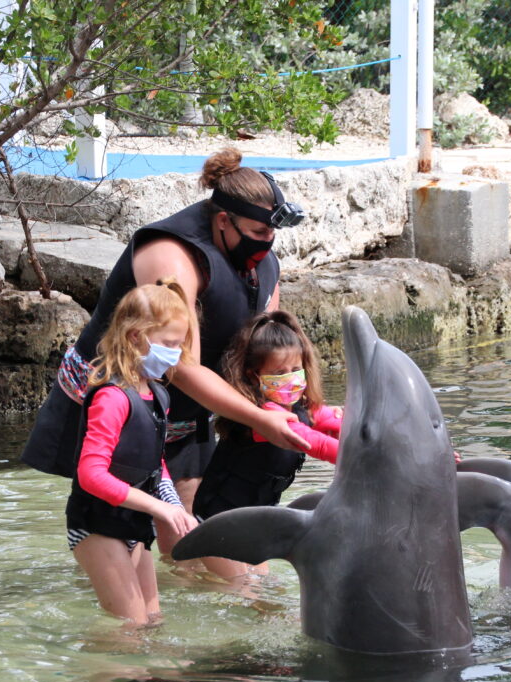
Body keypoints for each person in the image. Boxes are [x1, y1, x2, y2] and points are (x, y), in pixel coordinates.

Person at [22, 147, 312, 552]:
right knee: (121, 531)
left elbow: (262, 347)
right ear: (224, 220)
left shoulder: (262, 260)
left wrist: (296, 407)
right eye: (259, 232)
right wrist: (258, 420)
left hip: (187, 414)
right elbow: (178, 363)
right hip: (125, 405)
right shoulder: (170, 253)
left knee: (191, 535)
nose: (267, 243)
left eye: (272, 235)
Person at [67, 279, 200, 626]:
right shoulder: (112, 397)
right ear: (134, 337)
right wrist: (157, 508)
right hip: (97, 526)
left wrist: (172, 505)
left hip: (133, 524)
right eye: (169, 343)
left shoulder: (158, 394)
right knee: (131, 627)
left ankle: (148, 681)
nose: (175, 353)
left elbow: (155, 465)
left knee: (153, 621)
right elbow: (91, 475)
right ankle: (109, 680)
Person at [192, 310, 343, 578]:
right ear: (253, 376)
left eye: (296, 370)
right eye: (279, 372)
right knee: (243, 591)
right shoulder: (263, 416)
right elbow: (316, 444)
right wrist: (368, 459)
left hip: (254, 522)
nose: (290, 377)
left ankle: (185, 576)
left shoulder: (301, 408)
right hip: (218, 522)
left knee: (264, 590)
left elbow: (336, 422)